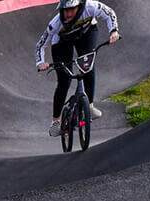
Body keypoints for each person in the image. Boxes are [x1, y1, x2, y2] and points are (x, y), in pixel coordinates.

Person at [36, 0, 120, 136]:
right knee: (64, 81)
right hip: (62, 41)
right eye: (65, 10)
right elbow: (40, 45)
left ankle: (90, 106)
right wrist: (41, 62)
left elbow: (109, 13)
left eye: (71, 9)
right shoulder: (55, 23)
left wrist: (113, 31)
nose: (67, 13)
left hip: (86, 33)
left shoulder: (91, 6)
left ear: (80, 7)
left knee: (87, 66)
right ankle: (56, 121)